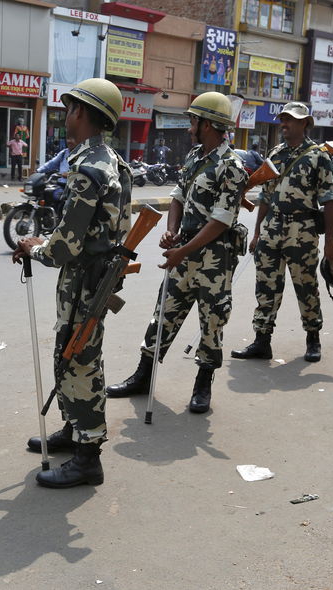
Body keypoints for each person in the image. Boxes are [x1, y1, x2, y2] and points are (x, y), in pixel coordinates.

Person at [13, 78, 131, 488]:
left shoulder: (88, 167)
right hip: (96, 276)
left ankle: (88, 456)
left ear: (82, 112)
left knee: (78, 357)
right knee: (75, 353)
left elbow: (66, 246)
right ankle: (74, 428)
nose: (67, 114)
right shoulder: (114, 162)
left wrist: (34, 249)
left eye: (70, 108)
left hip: (84, 281)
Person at [105, 92, 248, 414]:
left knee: (212, 321)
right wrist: (172, 231)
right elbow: (178, 196)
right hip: (182, 255)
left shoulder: (232, 167)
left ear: (208, 124)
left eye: (193, 121)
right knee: (163, 315)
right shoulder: (196, 157)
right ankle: (143, 376)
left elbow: (222, 219)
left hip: (214, 260)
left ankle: (203, 385)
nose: (189, 128)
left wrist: (183, 250)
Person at [231, 102, 333, 363]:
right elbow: (265, 197)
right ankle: (261, 340)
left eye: (291, 120)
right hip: (272, 228)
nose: (285, 124)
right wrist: (257, 233)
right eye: (283, 119)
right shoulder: (276, 153)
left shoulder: (318, 156)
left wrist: (330, 242)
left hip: (302, 230)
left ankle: (313, 338)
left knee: (306, 286)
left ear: (304, 123)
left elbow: (329, 200)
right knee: (266, 286)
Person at [36, 137, 74, 202]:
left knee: (64, 202)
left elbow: (83, 170)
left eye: (72, 139)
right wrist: (38, 171)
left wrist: (70, 174)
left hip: (72, 187)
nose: (69, 141)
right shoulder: (64, 153)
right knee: (46, 194)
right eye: (68, 139)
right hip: (61, 184)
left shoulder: (82, 154)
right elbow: (52, 163)